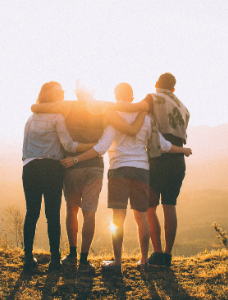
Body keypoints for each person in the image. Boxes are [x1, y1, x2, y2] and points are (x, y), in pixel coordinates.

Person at [60, 83, 192, 272]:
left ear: (116, 96)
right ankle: (144, 261)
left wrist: (76, 159)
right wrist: (183, 150)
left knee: (118, 218)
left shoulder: (114, 117)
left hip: (119, 170)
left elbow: (102, 147)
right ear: (132, 97)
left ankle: (117, 262)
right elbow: (162, 145)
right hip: (142, 171)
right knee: (142, 218)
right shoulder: (146, 117)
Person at [31, 81, 146, 273]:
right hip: (95, 166)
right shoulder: (103, 107)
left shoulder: (67, 105)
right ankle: (84, 261)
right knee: (89, 213)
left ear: (77, 92)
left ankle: (72, 255)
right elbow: (127, 122)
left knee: (72, 209)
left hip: (71, 166)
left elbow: (36, 107)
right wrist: (143, 109)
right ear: (93, 90)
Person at [105, 73, 190, 267]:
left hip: (158, 158)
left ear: (156, 84)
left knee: (149, 209)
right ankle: (167, 256)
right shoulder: (184, 107)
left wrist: (105, 106)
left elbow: (133, 108)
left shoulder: (153, 98)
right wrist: (183, 150)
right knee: (170, 206)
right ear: (174, 89)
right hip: (177, 160)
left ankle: (156, 254)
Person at [22, 81, 96, 271]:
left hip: (30, 167)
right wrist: (93, 146)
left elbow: (25, 148)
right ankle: (55, 260)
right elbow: (69, 146)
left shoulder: (31, 118)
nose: (63, 94)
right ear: (50, 96)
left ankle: (28, 258)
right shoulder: (57, 117)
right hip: (52, 169)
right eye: (59, 92)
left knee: (32, 213)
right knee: (52, 215)